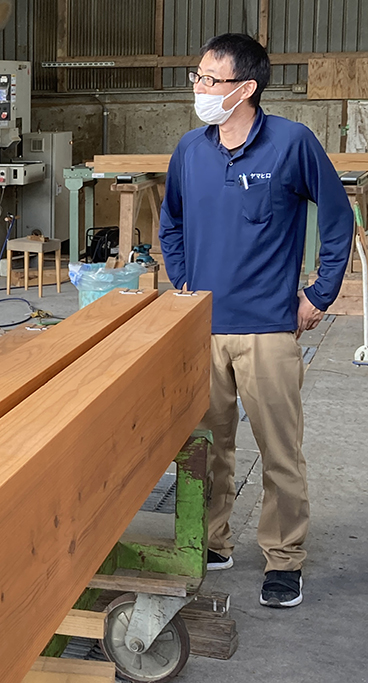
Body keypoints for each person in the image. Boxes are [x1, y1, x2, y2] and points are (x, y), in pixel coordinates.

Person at [159, 33, 353, 608]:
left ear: (245, 87)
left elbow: (339, 220)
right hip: (204, 328)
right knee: (210, 447)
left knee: (279, 452)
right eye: (196, 77)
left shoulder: (292, 144)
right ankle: (213, 541)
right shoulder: (190, 151)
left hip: (269, 330)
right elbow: (170, 221)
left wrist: (318, 296)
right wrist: (182, 282)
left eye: (209, 79)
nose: (198, 88)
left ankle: (284, 559)